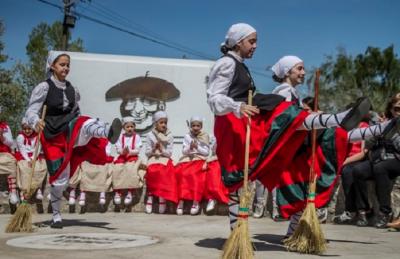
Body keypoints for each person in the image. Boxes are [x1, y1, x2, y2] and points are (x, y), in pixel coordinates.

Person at [25, 51, 122, 228]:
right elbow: (31, 111)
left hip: (70, 127)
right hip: (53, 134)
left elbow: (76, 112)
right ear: (52, 66)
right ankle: (56, 216)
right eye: (62, 64)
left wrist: (77, 120)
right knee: (59, 180)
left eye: (68, 65)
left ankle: (107, 131)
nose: (66, 68)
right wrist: (35, 121)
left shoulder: (72, 89)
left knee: (84, 122)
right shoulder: (44, 87)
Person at [352, 93, 400, 228]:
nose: (398, 112)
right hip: (381, 158)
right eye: (396, 109)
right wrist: (377, 133)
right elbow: (369, 143)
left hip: (396, 159)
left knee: (380, 168)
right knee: (358, 170)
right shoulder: (386, 124)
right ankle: (363, 210)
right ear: (391, 110)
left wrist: (394, 134)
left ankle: (385, 212)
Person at [144, 111, 178, 214]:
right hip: (153, 158)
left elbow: (169, 154)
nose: (163, 125)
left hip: (164, 158)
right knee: (152, 171)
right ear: (155, 123)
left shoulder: (169, 136)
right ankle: (150, 196)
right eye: (161, 122)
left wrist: (162, 149)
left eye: (165, 122)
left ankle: (162, 198)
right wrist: (154, 149)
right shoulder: (150, 135)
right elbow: (147, 153)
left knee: (165, 172)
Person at [175, 116, 210, 215]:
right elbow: (184, 151)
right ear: (190, 126)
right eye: (193, 125)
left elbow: (206, 153)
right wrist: (190, 147)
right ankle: (181, 201)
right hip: (188, 159)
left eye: (198, 125)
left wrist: (197, 147)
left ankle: (195, 201)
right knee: (181, 173)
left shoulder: (204, 136)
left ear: (201, 126)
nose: (195, 128)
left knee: (195, 174)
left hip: (199, 159)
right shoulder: (187, 136)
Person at [113, 116, 143, 206]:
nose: (130, 128)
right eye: (128, 127)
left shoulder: (136, 137)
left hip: (132, 157)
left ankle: (130, 191)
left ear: (134, 127)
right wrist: (123, 151)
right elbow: (118, 148)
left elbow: (138, 149)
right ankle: (118, 191)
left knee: (131, 170)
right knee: (117, 170)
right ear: (124, 128)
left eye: (131, 127)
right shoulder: (120, 137)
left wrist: (130, 151)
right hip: (122, 157)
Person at [15, 118, 47, 201]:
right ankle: (24, 191)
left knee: (39, 168)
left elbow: (38, 148)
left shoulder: (37, 136)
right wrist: (28, 160)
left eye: (29, 129)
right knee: (24, 168)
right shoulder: (20, 137)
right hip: (24, 157)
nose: (27, 131)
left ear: (32, 128)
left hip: (35, 155)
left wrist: (33, 158)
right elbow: (22, 150)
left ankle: (38, 188)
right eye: (25, 129)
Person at [203, 135, 229, 213]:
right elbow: (213, 153)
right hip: (216, 159)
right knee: (212, 170)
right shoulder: (213, 137)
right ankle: (211, 198)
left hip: (227, 160)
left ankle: (219, 197)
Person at [0, 106, 17, 205]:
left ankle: (13, 192)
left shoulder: (5, 127)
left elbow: (11, 143)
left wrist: (2, 137)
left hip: (4, 153)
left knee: (11, 163)